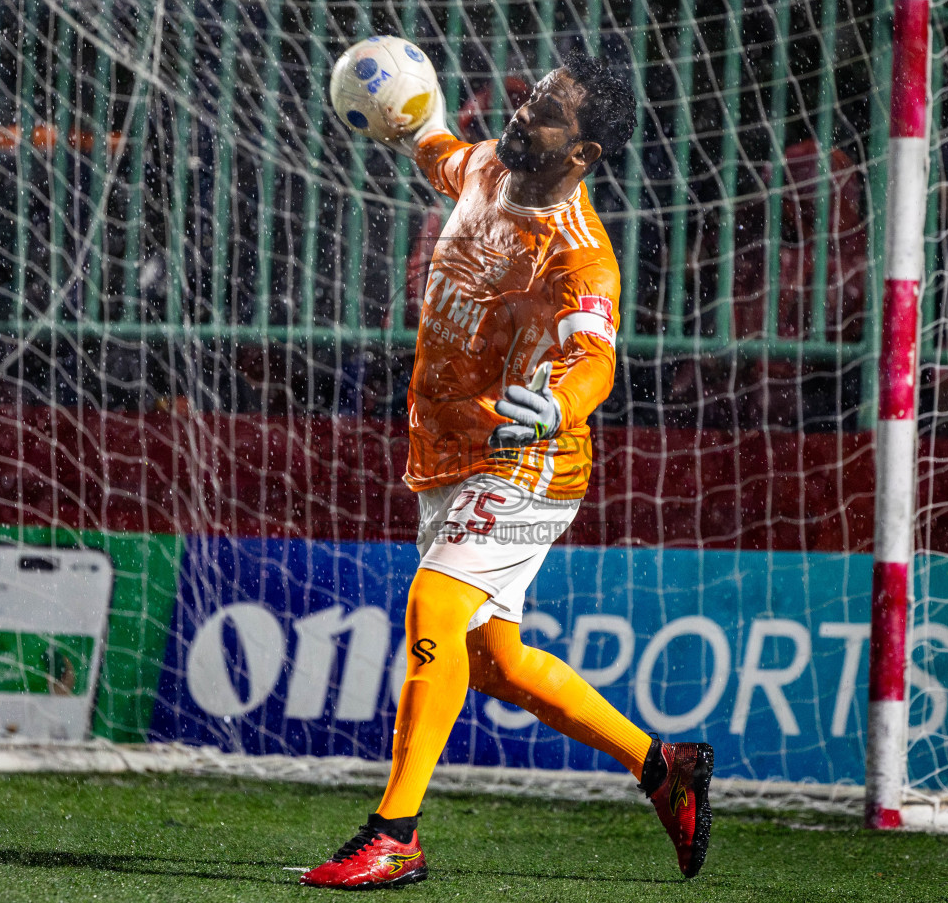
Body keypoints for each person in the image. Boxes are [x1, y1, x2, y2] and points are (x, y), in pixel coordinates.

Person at [300, 54, 713, 889]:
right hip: (448, 449)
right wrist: (414, 123)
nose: (524, 113)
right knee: (491, 659)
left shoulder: (580, 255)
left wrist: (560, 405)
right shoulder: (487, 166)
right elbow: (443, 156)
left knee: (433, 604)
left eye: (549, 112)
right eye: (532, 98)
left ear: (583, 153)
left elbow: (594, 357)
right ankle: (662, 765)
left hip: (528, 459)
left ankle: (395, 836)